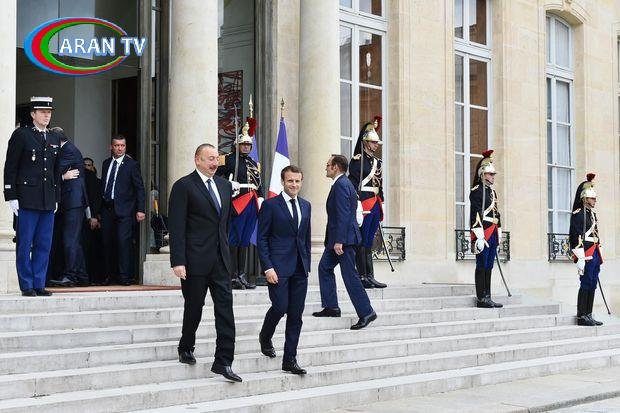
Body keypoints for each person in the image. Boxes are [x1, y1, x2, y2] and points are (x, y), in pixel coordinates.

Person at [168, 143, 241, 383]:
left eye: (216, 159)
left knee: (225, 310)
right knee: (194, 307)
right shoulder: (183, 186)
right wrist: (178, 260)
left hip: (221, 260)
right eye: (209, 158)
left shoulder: (224, 185)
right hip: (194, 260)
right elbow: (177, 226)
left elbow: (225, 224)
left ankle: (224, 361)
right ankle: (186, 345)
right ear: (197, 160)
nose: (214, 163)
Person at [3, 97, 60, 297]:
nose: (46, 115)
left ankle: (39, 283)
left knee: (44, 244)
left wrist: (56, 197)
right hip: (26, 198)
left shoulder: (54, 137)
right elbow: (11, 167)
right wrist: (11, 195)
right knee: (25, 243)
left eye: (49, 112)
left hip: (47, 199)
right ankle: (26, 284)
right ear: (33, 114)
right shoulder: (22, 135)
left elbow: (55, 171)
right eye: (42, 112)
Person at [257, 165, 311, 375]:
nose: (294, 185)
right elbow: (262, 238)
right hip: (277, 267)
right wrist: (267, 267)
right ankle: (265, 336)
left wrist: (307, 263)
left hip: (300, 268)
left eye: (297, 181)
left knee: (296, 315)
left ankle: (290, 359)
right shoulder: (270, 205)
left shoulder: (306, 205)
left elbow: (305, 237)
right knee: (280, 307)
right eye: (290, 181)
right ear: (282, 181)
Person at [314, 154, 377, 330]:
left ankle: (367, 312)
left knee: (350, 275)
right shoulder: (342, 183)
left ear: (335, 167)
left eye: (328, 165)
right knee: (324, 268)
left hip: (344, 240)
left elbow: (344, 215)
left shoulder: (342, 185)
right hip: (338, 239)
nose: (326, 167)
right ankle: (331, 307)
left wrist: (339, 241)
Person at [216, 120, 263, 289]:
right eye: (243, 145)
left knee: (245, 239)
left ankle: (241, 274)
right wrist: (228, 185)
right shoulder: (228, 159)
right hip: (237, 201)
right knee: (234, 239)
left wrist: (261, 198)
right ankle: (231, 275)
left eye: (248, 145)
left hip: (251, 202)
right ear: (237, 145)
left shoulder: (254, 163)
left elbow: (258, 184)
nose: (246, 147)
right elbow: (215, 178)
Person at [100, 135, 146, 285]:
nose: (119, 148)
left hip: (125, 210)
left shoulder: (132, 165)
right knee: (107, 242)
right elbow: (104, 185)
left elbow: (139, 188)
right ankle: (108, 276)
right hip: (107, 208)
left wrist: (141, 209)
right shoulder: (106, 163)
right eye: (116, 145)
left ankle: (125, 277)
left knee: (123, 242)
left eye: (122, 146)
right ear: (111, 147)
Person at [349, 116, 387, 289]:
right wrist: (357, 202)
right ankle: (362, 276)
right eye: (373, 142)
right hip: (364, 202)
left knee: (369, 241)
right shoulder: (358, 160)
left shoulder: (378, 162)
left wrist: (382, 202)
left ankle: (370, 276)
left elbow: (380, 184)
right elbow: (354, 183)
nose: (376, 145)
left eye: (377, 142)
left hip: (375, 203)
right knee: (362, 240)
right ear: (365, 142)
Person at [50, 127, 90, 287]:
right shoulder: (67, 148)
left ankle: (70, 276)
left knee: (70, 241)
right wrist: (63, 176)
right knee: (73, 241)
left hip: (73, 202)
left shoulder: (68, 150)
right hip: (71, 201)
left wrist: (61, 176)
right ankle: (81, 276)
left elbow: (53, 171)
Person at [469, 149, 503, 308]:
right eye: (490, 174)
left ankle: (488, 296)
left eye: (493, 174)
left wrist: (499, 231)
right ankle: (481, 298)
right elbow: (475, 214)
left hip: (493, 231)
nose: (493, 176)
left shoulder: (493, 192)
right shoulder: (477, 191)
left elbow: (497, 213)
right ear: (482, 174)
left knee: (489, 264)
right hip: (483, 232)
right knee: (482, 264)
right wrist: (479, 235)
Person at [569, 173, 603, 327]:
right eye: (592, 198)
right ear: (584, 198)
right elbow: (575, 235)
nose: (595, 200)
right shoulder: (579, 214)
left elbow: (595, 234)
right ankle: (582, 315)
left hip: (594, 251)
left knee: (593, 282)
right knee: (586, 282)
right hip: (586, 252)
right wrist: (580, 257)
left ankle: (589, 313)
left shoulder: (592, 214)